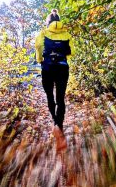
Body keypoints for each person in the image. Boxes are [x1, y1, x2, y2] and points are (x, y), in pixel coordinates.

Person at [35, 9, 75, 138]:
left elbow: (39, 47)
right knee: (60, 98)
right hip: (63, 68)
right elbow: (72, 52)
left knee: (50, 97)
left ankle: (54, 121)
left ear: (49, 21)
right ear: (59, 20)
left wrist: (40, 59)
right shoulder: (67, 34)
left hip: (47, 68)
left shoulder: (43, 33)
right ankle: (59, 126)